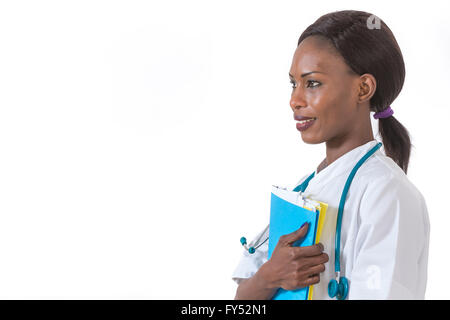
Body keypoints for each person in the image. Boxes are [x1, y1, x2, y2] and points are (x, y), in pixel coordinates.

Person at [231, 10, 430, 300]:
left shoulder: (388, 194)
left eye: (312, 83)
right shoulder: (307, 187)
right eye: (293, 83)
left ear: (363, 88)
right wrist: (269, 276)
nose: (294, 100)